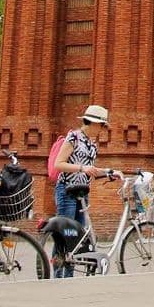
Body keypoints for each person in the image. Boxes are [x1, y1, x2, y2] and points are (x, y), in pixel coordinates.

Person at [52, 104, 110, 278]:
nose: (102, 129)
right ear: (93, 123)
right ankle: (57, 274)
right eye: (101, 125)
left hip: (82, 194)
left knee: (77, 236)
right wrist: (81, 168)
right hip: (67, 191)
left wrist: (109, 172)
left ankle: (68, 275)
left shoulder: (92, 143)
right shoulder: (74, 137)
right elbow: (59, 164)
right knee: (64, 234)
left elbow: (90, 169)